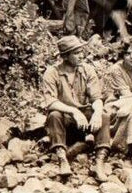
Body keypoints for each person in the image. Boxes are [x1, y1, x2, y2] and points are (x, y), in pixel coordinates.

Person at [41, 35, 111, 181]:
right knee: (54, 115)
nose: (81, 56)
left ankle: (99, 162)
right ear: (66, 56)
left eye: (81, 52)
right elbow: (51, 101)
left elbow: (96, 98)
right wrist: (74, 111)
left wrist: (97, 113)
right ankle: (62, 158)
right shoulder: (52, 73)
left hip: (84, 122)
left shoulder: (87, 70)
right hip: (65, 122)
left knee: (104, 115)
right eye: (77, 53)